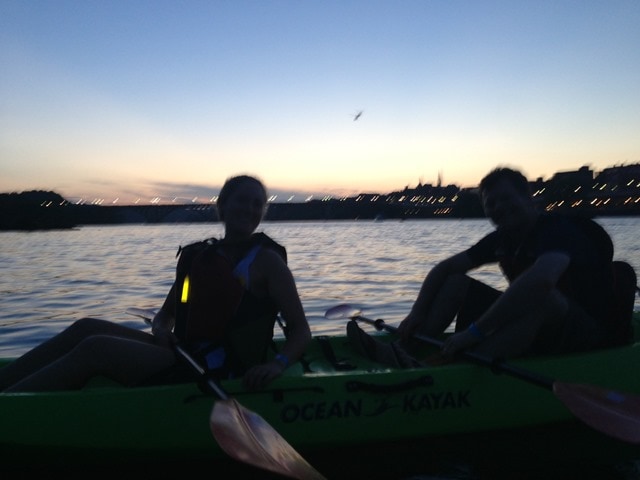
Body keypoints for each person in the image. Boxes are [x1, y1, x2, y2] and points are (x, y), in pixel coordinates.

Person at [0, 174, 312, 392]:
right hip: (184, 352)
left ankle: (11, 406)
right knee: (85, 328)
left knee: (96, 348)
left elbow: (301, 330)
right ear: (223, 206)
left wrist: (278, 364)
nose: (250, 209)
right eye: (242, 201)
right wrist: (161, 330)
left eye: (258, 204)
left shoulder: (268, 262)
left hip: (219, 366)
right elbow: (166, 314)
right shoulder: (200, 258)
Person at [349, 166, 623, 365]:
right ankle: (404, 348)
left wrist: (473, 333)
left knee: (544, 298)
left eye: (506, 199)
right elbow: (445, 268)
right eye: (491, 203)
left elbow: (542, 281)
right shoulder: (502, 238)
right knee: (456, 281)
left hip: (589, 333)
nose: (499, 208)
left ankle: (449, 367)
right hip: (540, 326)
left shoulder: (559, 230)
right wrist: (416, 313)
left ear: (528, 197)